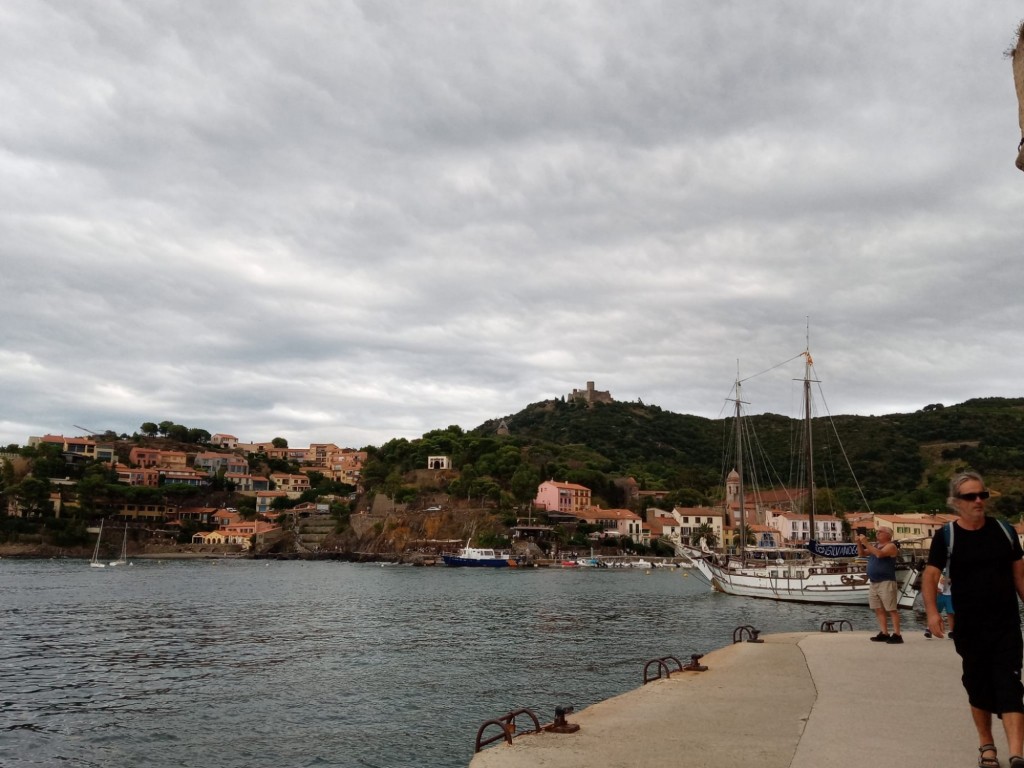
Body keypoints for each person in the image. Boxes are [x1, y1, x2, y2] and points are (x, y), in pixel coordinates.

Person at [923, 471, 1024, 768]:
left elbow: (1020, 577)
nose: (979, 501)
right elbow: (931, 576)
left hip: (1006, 624)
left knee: (1010, 684)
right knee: (978, 684)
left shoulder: (1004, 531)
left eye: (983, 495)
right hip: (969, 627)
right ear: (956, 502)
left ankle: (1017, 753)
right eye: (971, 496)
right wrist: (932, 613)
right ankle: (987, 745)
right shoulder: (947, 537)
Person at [856, 526, 902, 644]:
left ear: (888, 535)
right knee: (878, 609)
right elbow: (861, 554)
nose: (877, 533)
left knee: (891, 609)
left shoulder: (891, 546)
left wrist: (866, 543)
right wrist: (859, 543)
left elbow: (880, 554)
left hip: (886, 582)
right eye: (877, 531)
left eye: (880, 532)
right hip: (874, 582)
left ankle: (897, 634)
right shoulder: (875, 546)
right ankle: (884, 632)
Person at [925, 572, 955, 638]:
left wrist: (947, 581)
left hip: (950, 594)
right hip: (940, 593)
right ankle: (929, 629)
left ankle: (951, 631)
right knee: (935, 612)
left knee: (950, 613)